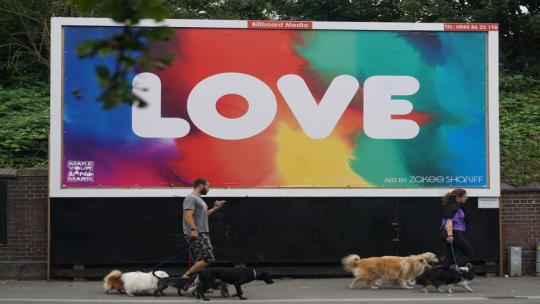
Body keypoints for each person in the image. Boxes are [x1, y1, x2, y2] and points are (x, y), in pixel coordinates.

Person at [181, 178, 225, 283]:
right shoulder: (191, 198)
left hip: (202, 232)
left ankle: (196, 283)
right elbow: (187, 215)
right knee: (208, 258)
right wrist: (193, 229)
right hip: (197, 232)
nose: (209, 189)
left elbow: (203, 216)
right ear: (200, 186)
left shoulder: (199, 200)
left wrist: (215, 208)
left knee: (201, 259)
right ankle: (184, 279)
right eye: (208, 186)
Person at [440, 188, 474, 267]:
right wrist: (450, 235)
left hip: (451, 233)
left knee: (450, 257)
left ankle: (443, 274)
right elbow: (449, 221)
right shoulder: (453, 206)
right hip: (453, 233)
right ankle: (455, 270)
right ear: (458, 197)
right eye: (465, 196)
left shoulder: (455, 206)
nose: (467, 198)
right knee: (469, 253)